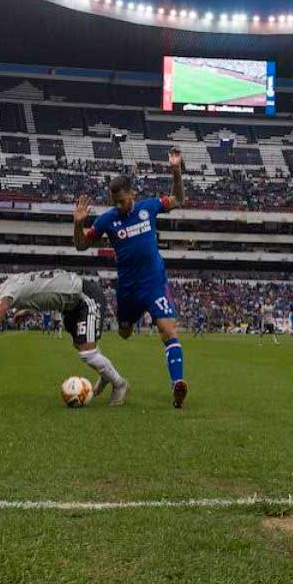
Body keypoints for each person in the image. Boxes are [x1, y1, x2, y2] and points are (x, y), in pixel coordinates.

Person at [73, 147, 189, 408]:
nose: (118, 206)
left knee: (167, 330)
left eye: (122, 201)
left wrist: (176, 171)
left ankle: (177, 384)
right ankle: (108, 372)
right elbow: (81, 246)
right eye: (114, 201)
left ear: (132, 195)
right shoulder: (107, 220)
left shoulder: (150, 207)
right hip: (127, 288)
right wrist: (78, 224)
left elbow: (178, 199)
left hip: (154, 282)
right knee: (124, 332)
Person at [0, 270, 129, 406]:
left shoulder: (7, 291)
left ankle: (119, 383)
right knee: (81, 346)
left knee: (87, 352)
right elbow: (42, 290)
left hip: (84, 296)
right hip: (71, 305)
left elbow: (0, 309)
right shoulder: (13, 281)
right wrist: (29, 310)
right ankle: (107, 376)